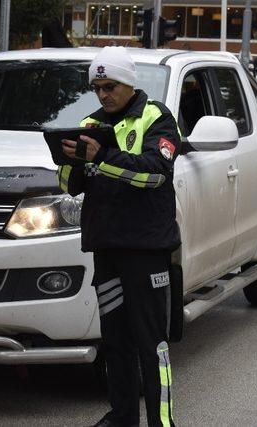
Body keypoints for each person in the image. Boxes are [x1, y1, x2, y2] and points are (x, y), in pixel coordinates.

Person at [57, 46, 180, 427]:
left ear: (127, 83)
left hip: (145, 248)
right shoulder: (90, 125)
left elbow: (156, 172)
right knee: (115, 342)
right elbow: (69, 186)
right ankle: (122, 417)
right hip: (106, 246)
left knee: (151, 344)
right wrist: (69, 161)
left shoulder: (156, 116)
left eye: (110, 85)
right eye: (97, 87)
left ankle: (162, 422)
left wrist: (101, 158)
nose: (103, 94)